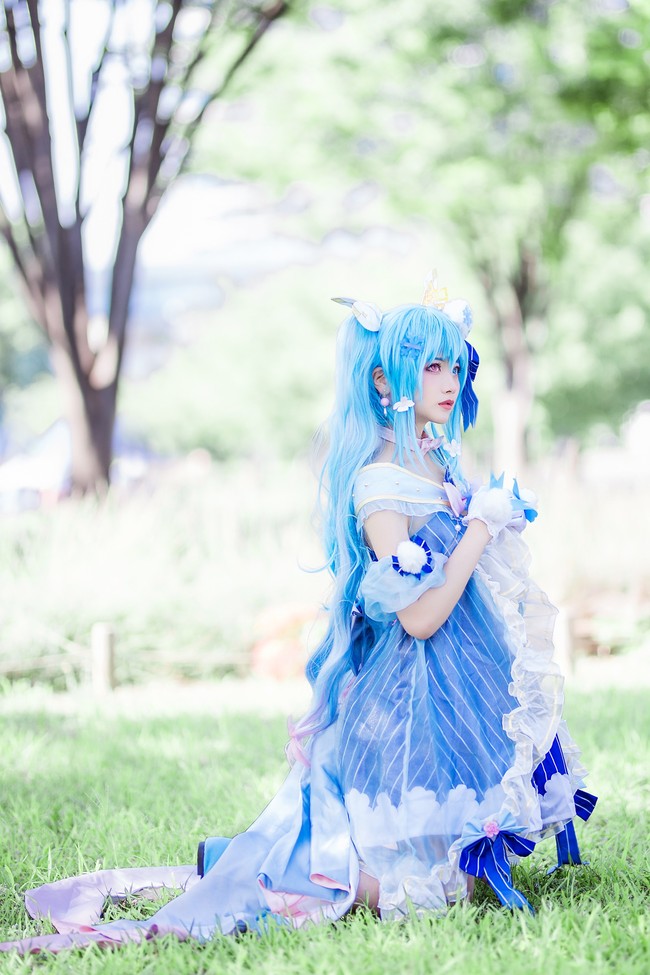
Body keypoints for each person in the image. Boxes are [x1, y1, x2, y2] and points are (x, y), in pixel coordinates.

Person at [0, 276, 596, 954]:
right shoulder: (378, 483)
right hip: (412, 690)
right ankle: (296, 869)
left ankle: (327, 863)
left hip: (462, 675)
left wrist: (479, 520)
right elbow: (420, 619)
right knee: (444, 889)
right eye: (432, 365)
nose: (449, 380)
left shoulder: (436, 458)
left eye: (455, 366)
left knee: (477, 865)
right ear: (383, 380)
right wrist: (481, 529)